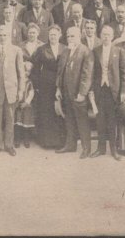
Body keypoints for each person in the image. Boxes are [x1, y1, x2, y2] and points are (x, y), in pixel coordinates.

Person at [0, 25, 25, 157]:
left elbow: (21, 73)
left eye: (5, 35)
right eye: (0, 35)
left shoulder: (16, 50)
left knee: (10, 118)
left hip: (11, 90)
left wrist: (20, 90)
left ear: (9, 36)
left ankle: (9, 145)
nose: (2, 37)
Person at [90, 25, 125, 160]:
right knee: (100, 121)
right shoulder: (95, 51)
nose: (106, 37)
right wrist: (92, 90)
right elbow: (92, 72)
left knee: (112, 121)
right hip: (100, 89)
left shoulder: (119, 51)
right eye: (104, 34)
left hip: (114, 91)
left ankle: (114, 150)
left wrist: (124, 91)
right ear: (100, 36)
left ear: (112, 37)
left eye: (108, 34)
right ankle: (100, 149)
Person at [55, 26, 94, 159]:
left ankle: (86, 148)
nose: (70, 38)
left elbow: (87, 74)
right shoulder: (66, 51)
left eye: (73, 36)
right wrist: (58, 88)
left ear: (79, 37)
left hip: (78, 93)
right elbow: (60, 72)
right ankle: (70, 145)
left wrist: (82, 93)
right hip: (66, 91)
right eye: (68, 36)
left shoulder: (86, 51)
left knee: (82, 121)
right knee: (69, 119)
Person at [16, 25, 42, 148]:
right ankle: (20, 136)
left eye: (34, 32)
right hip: (24, 76)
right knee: (21, 110)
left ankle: (34, 134)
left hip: (37, 76)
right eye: (30, 32)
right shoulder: (21, 45)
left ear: (38, 33)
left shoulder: (42, 45)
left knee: (34, 105)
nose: (32, 34)